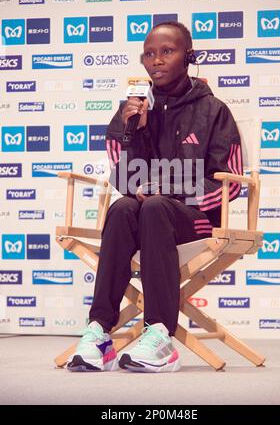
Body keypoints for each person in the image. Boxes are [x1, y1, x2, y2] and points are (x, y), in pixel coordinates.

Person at [67, 21, 242, 373]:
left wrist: (171, 189)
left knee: (157, 206)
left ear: (188, 57)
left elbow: (230, 184)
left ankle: (160, 333)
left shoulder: (214, 110)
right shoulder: (132, 109)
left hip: (196, 219)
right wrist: (134, 133)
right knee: (122, 208)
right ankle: (99, 331)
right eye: (150, 53)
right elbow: (124, 175)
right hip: (149, 215)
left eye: (167, 51)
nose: (157, 60)